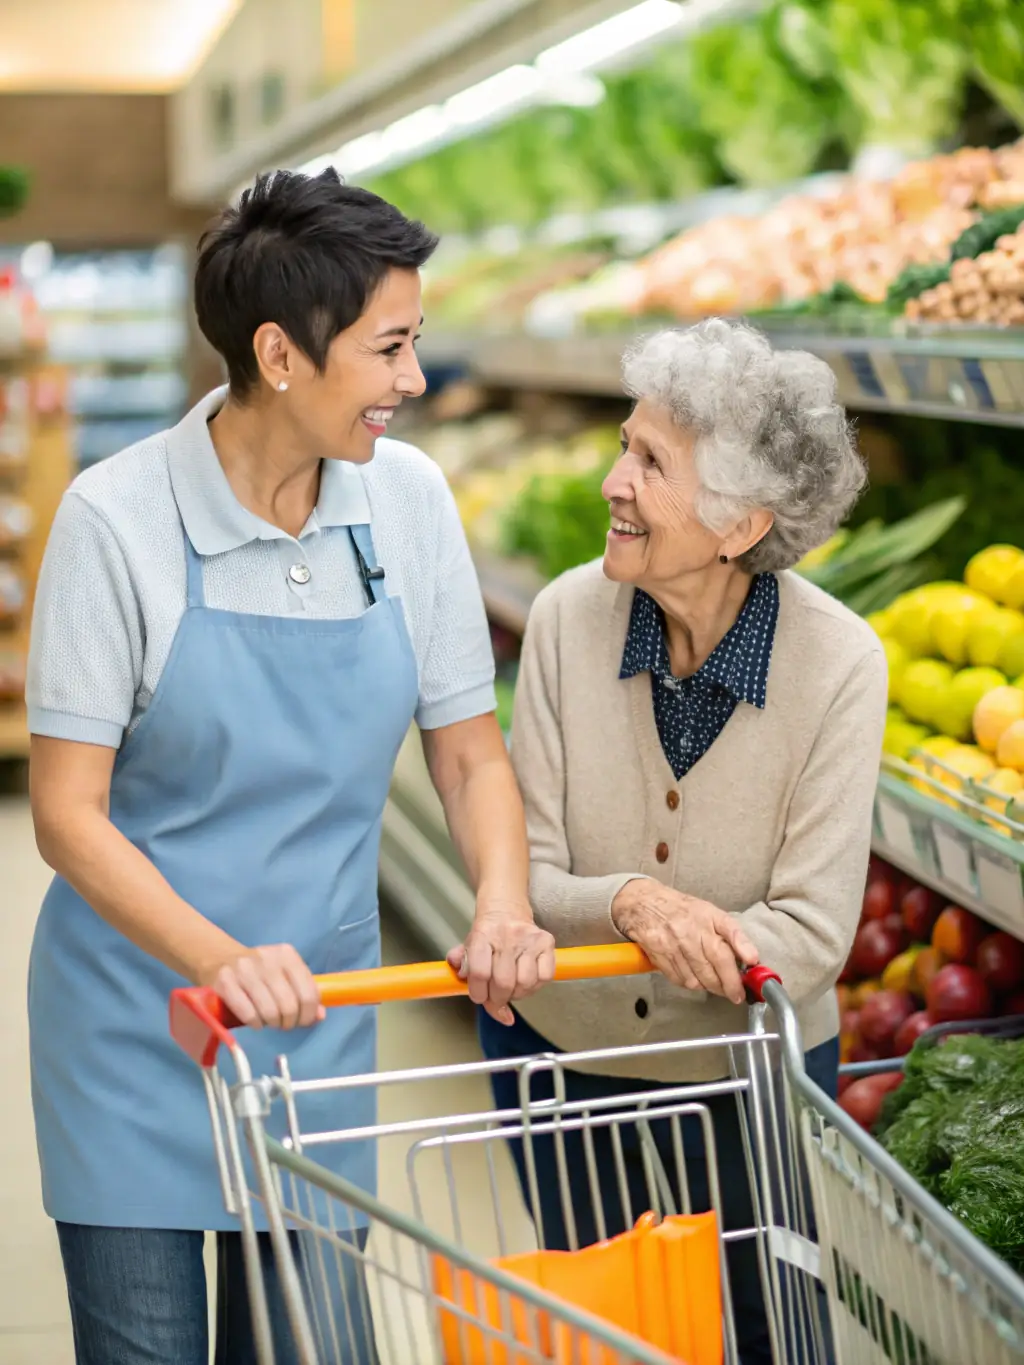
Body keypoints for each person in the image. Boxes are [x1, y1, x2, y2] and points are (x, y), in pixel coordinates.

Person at [26, 168, 554, 1365]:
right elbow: (68, 816)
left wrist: (502, 901)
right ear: (278, 354)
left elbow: (469, 755)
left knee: (319, 1347)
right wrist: (219, 958)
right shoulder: (116, 522)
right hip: (136, 1021)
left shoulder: (408, 503)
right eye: (389, 349)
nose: (414, 382)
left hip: (318, 1022)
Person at [466, 318, 887, 1363]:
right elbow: (530, 870)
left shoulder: (840, 664)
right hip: (564, 1051)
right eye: (623, 444)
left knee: (768, 1332)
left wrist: (709, 943)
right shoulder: (570, 618)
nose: (615, 480)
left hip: (748, 1070)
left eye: (649, 462)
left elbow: (814, 929)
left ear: (740, 523)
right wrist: (632, 906)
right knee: (607, 1332)